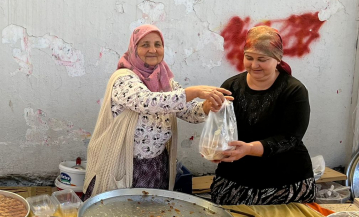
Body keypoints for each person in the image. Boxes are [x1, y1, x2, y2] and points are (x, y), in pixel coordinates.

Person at [83, 24, 231, 199]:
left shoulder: (164, 79)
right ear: (134, 48)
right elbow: (147, 102)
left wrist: (208, 107)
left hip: (155, 167)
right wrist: (194, 92)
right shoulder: (123, 78)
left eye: (157, 44)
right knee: (115, 216)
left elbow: (187, 110)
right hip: (121, 164)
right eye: (145, 45)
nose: (152, 50)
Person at [209, 25, 315, 205]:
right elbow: (222, 126)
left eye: (262, 59)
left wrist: (249, 149)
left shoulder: (294, 90)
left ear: (277, 59)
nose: (254, 65)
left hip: (284, 183)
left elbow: (290, 139)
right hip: (236, 180)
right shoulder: (232, 86)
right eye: (249, 58)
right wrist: (216, 145)